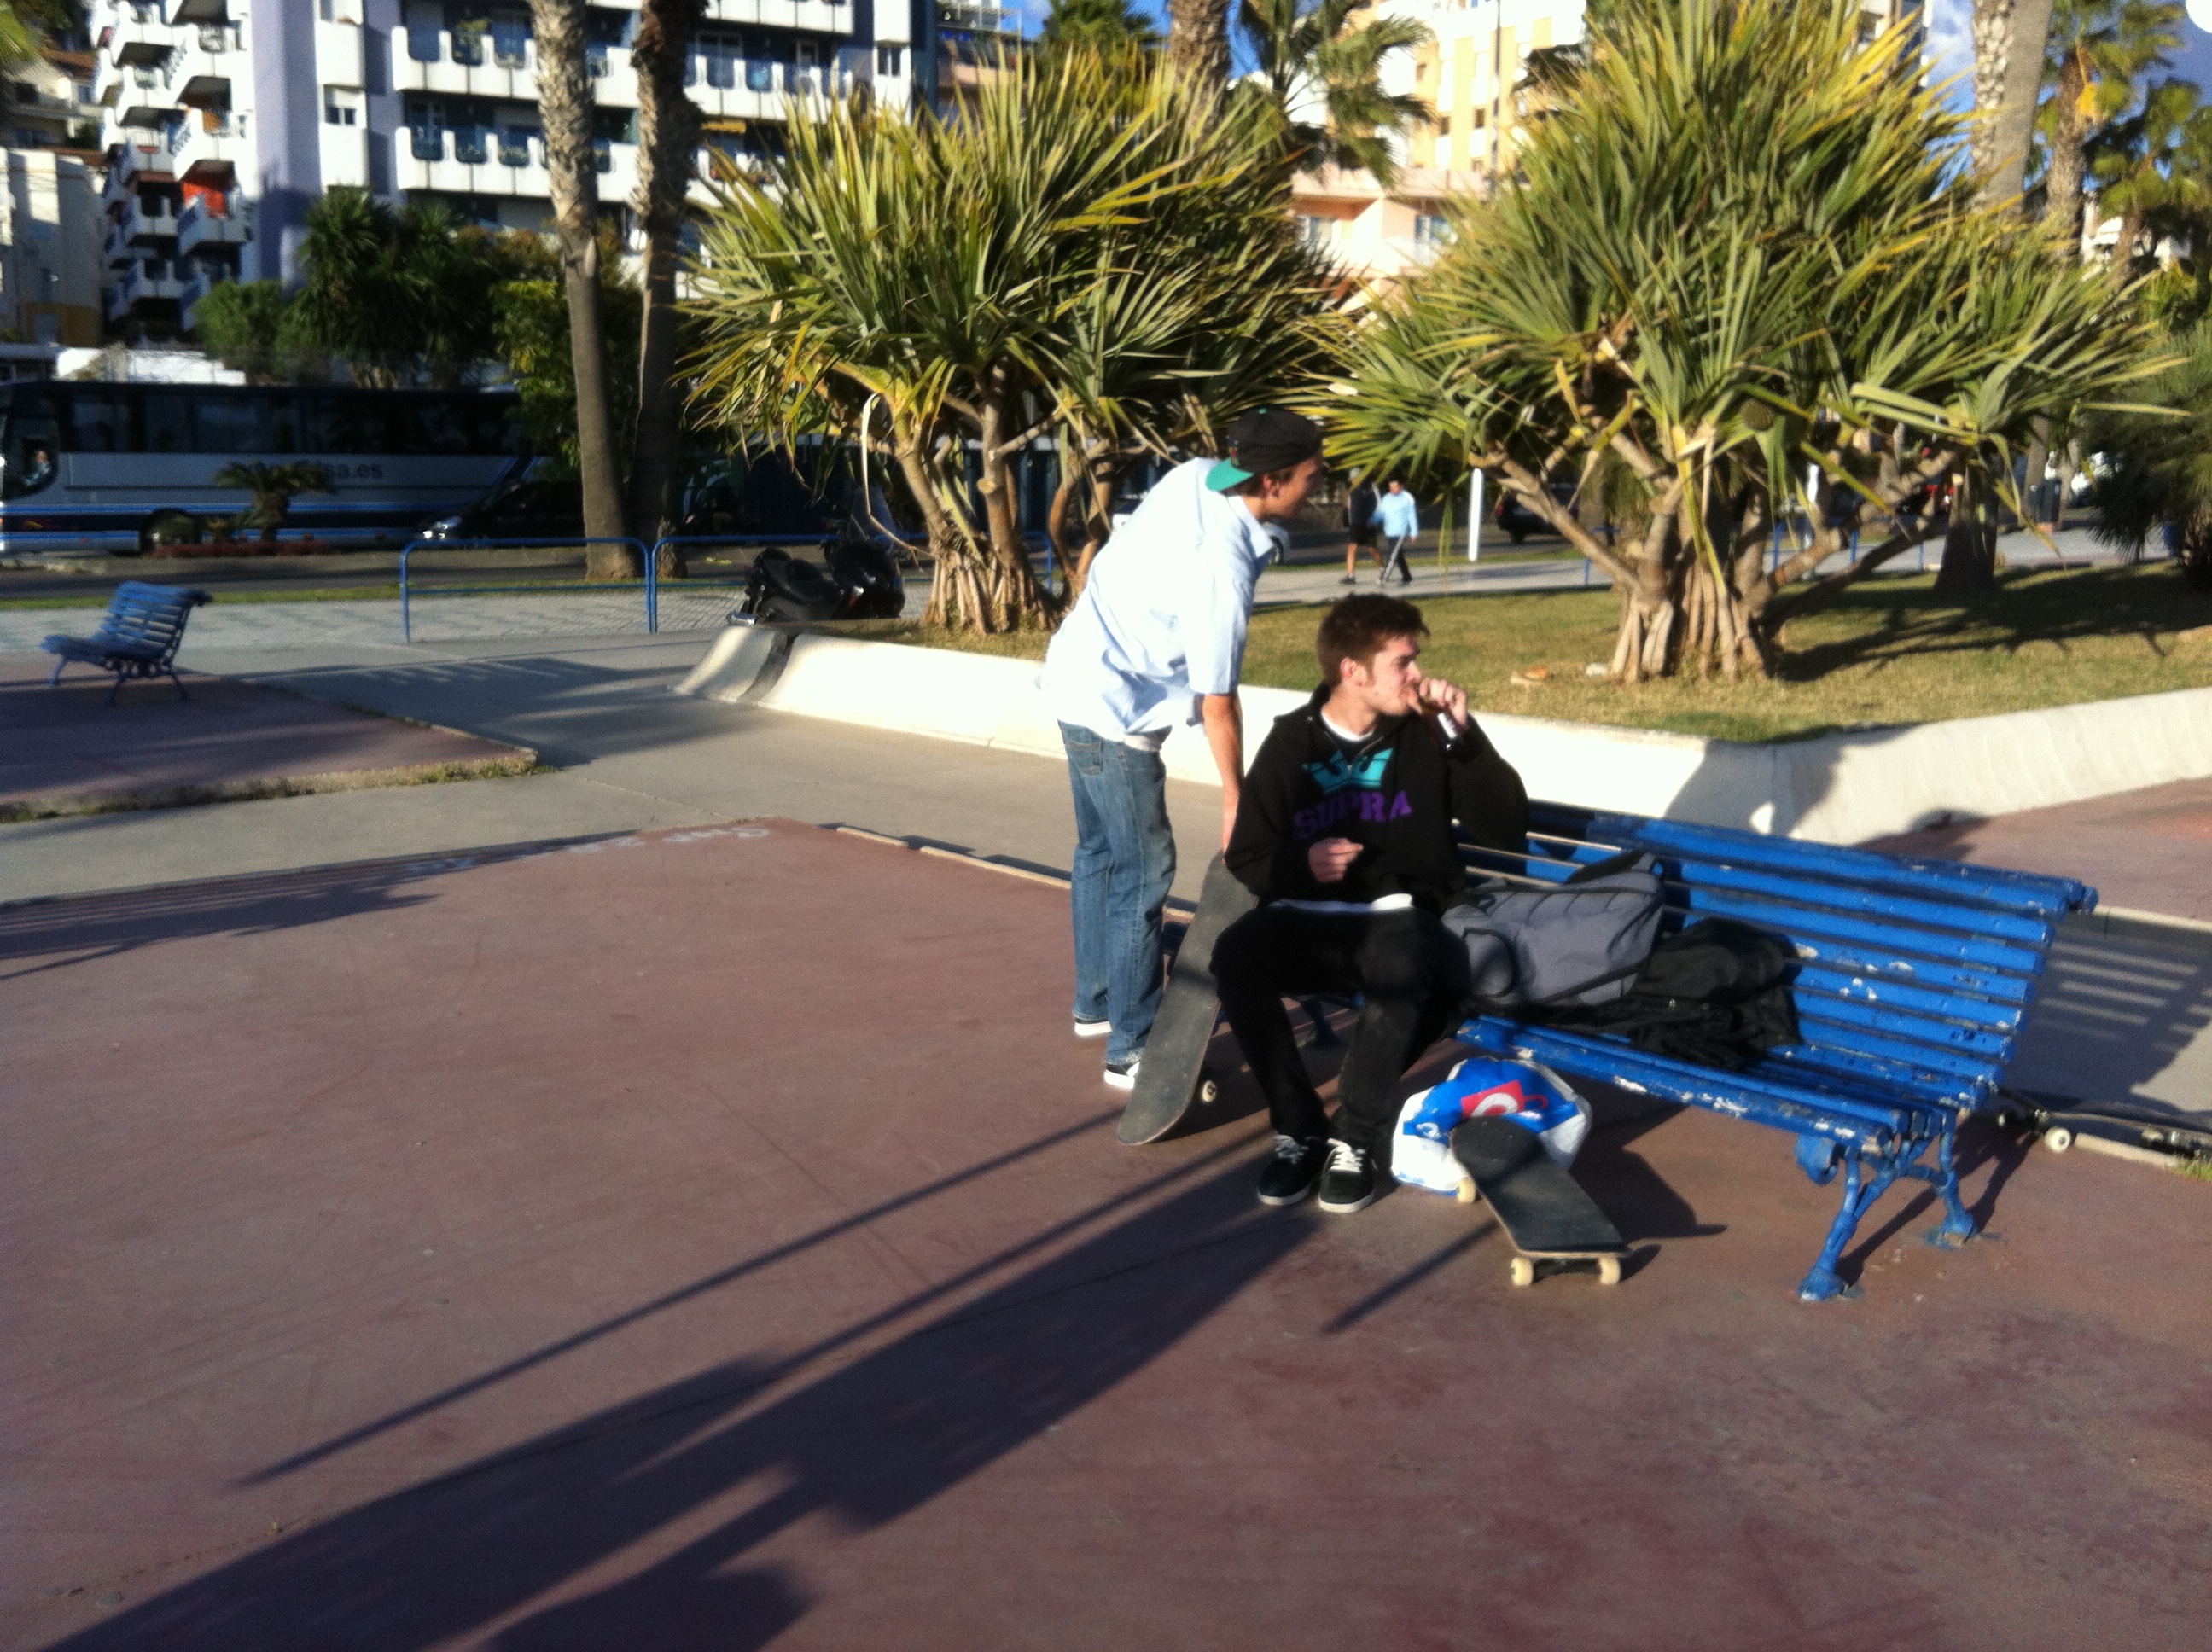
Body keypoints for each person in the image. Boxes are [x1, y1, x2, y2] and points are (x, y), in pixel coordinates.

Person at [1214, 594, 1528, 1213]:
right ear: (1354, 672)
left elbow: (1505, 828)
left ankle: (1352, 1138)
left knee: (1407, 963)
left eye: (1415, 660)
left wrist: (1463, 739)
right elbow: (1248, 854)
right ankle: (1299, 1129)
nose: (1417, 675)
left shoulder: (1430, 732)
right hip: (1310, 919)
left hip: (1399, 920)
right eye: (1403, 663)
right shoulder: (1290, 744)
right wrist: (1299, 864)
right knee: (1234, 955)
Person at [1041, 408, 1326, 1091]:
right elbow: (1217, 700)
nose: (1319, 484)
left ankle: (1097, 1004)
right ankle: (1131, 1048)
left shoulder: (1195, 476)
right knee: (1144, 870)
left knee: (1099, 853)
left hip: (1073, 678)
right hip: (1116, 712)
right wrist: (1238, 801)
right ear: (1272, 478)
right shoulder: (1222, 568)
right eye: (1312, 475)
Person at [1342, 476, 1384, 585]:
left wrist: (1373, 520)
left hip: (1369, 523)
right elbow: (1349, 506)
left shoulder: (1371, 486)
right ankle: (1350, 575)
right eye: (1351, 479)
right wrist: (1348, 521)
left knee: (1371, 549)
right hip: (1355, 524)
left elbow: (1379, 504)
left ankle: (1382, 569)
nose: (1352, 480)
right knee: (1351, 547)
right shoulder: (1351, 489)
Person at [1376, 480, 1418, 585]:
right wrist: (1371, 521)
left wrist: (1414, 532)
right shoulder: (1386, 499)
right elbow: (1380, 512)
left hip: (1401, 532)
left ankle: (1383, 578)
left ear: (1401, 486)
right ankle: (1407, 576)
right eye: (1391, 487)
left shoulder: (1407, 498)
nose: (1393, 489)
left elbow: (1412, 516)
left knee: (1392, 555)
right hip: (1389, 532)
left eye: (1395, 487)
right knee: (1398, 555)